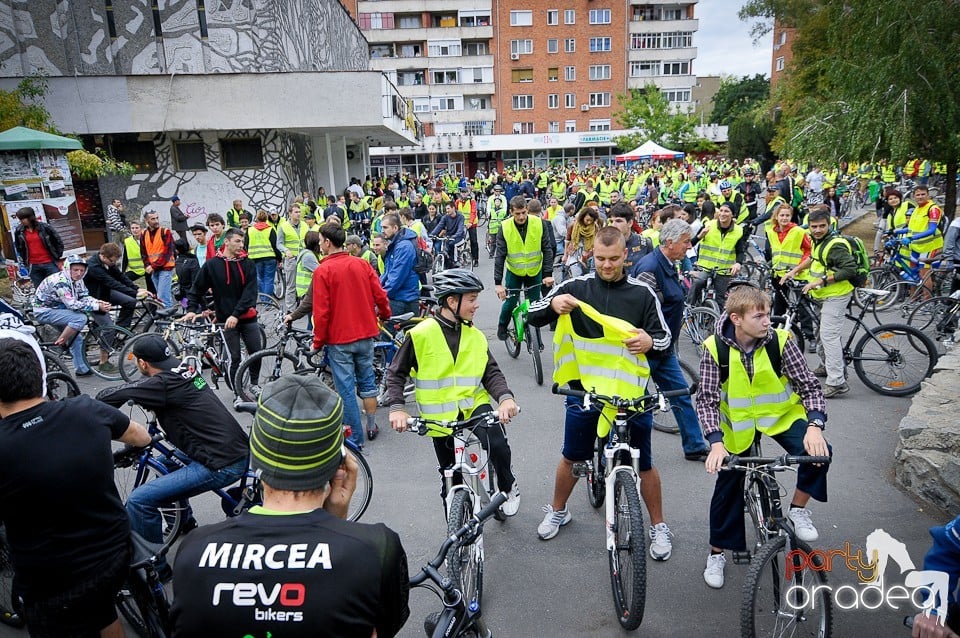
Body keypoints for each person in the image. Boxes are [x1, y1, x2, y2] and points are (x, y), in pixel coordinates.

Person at [170, 375, 409, 636]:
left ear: (257, 457)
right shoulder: (375, 549)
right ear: (339, 462)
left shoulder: (194, 550)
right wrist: (335, 520)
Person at [528, 227, 675, 556]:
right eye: (599, 259)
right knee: (572, 456)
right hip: (584, 393)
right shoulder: (576, 287)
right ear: (590, 255)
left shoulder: (641, 294)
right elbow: (530, 316)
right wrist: (554, 304)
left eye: (613, 259)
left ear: (626, 255)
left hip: (630, 396)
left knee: (645, 463)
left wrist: (650, 342)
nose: (606, 265)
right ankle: (558, 510)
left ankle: (658, 526)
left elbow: (665, 340)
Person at [0, 338, 151, 638]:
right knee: (102, 611)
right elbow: (142, 437)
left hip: (52, 578)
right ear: (41, 377)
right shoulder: (86, 408)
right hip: (114, 552)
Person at [697, 283, 830, 589]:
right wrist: (715, 443)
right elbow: (705, 399)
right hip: (737, 425)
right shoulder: (713, 348)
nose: (767, 321)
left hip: (780, 417)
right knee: (727, 483)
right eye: (759, 316)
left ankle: (797, 510)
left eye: (768, 314)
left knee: (821, 453)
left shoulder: (780, 341)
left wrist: (815, 425)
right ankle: (717, 553)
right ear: (736, 319)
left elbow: (809, 387)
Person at [96, 332, 248, 557]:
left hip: (220, 462)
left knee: (139, 500)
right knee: (165, 464)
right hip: (232, 447)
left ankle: (154, 568)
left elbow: (106, 397)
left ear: (142, 362)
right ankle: (184, 521)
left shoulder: (161, 384)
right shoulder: (187, 370)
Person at [386, 269, 521, 515]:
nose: (477, 305)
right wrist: (397, 408)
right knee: (450, 473)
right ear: (452, 301)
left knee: (498, 446)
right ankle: (456, 526)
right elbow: (396, 373)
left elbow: (491, 372)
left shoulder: (476, 336)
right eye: (471, 299)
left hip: (473, 405)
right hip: (439, 415)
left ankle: (507, 485)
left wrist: (505, 398)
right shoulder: (420, 334)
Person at [634, 219, 711, 460]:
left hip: (664, 348)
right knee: (634, 404)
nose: (690, 247)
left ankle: (695, 445)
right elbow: (642, 311)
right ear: (669, 243)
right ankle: (628, 452)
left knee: (680, 394)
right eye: (686, 242)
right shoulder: (649, 267)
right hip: (648, 349)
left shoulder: (667, 262)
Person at [311, 222, 392, 447]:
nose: (319, 244)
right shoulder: (361, 264)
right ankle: (372, 425)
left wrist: (318, 341)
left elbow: (322, 312)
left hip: (339, 339)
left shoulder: (322, 271)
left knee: (345, 388)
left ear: (328, 242)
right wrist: (384, 315)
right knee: (367, 381)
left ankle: (355, 437)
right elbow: (380, 295)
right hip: (366, 334)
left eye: (320, 240)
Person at [184, 227, 263, 388]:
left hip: (247, 317)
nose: (241, 244)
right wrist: (192, 309)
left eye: (243, 241)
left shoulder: (248, 264)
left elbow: (250, 293)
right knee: (234, 358)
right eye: (237, 241)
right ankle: (237, 391)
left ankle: (254, 385)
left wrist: (236, 314)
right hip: (225, 320)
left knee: (256, 353)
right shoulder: (212, 265)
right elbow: (196, 289)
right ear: (226, 242)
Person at [800, 208, 860, 396]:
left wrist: (821, 281)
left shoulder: (835, 244)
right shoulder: (819, 241)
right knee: (820, 333)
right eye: (814, 227)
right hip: (823, 295)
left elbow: (849, 270)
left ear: (829, 225)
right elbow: (813, 258)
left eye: (821, 226)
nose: (817, 230)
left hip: (837, 294)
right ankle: (826, 365)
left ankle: (837, 382)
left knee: (828, 336)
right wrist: (793, 272)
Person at [33, 255, 113, 377]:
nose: (79, 273)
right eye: (75, 270)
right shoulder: (60, 282)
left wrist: (98, 302)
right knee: (80, 318)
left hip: (60, 310)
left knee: (77, 336)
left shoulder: (78, 280)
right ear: (67, 268)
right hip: (44, 311)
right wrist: (96, 307)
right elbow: (72, 304)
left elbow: (84, 296)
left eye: (82, 270)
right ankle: (61, 340)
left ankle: (81, 369)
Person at [494, 195, 555, 340]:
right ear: (511, 212)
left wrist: (548, 274)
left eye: (523, 213)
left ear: (527, 210)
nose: (521, 217)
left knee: (534, 305)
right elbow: (500, 256)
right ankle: (502, 326)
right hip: (514, 272)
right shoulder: (505, 227)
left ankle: (536, 336)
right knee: (510, 303)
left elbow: (547, 250)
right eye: (517, 214)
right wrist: (498, 283)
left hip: (535, 271)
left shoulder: (539, 223)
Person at [765, 203, 817, 351]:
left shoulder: (799, 231)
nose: (784, 218)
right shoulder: (771, 232)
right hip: (779, 275)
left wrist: (798, 268)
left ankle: (810, 337)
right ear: (776, 216)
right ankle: (775, 333)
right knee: (779, 305)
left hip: (797, 275)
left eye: (787, 215)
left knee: (802, 307)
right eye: (782, 215)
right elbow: (772, 252)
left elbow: (809, 251)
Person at [688, 202, 746, 306]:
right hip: (704, 267)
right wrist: (699, 237)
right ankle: (689, 312)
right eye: (721, 210)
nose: (723, 214)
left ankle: (718, 320)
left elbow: (740, 252)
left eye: (726, 211)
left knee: (721, 299)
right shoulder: (709, 225)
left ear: (732, 215)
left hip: (723, 270)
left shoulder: (738, 231)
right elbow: (690, 244)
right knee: (697, 284)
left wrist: (738, 263)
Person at [85, 241, 143, 330]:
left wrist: (137, 289)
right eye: (112, 261)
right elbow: (112, 283)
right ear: (103, 256)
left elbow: (120, 276)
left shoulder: (108, 261)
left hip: (105, 292)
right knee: (109, 328)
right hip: (95, 298)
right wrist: (134, 292)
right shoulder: (93, 267)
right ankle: (107, 339)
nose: (114, 264)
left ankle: (121, 330)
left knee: (130, 302)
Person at [380, 213, 421, 316]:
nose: (382, 230)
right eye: (382, 227)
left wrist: (380, 296)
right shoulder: (395, 244)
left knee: (385, 331)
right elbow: (388, 273)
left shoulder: (404, 247)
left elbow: (396, 277)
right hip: (398, 297)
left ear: (395, 228)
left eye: (385, 227)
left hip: (403, 300)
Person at [13, 206, 64, 289]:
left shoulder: (45, 228)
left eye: (23, 218)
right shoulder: (19, 231)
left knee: (57, 287)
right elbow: (19, 247)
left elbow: (58, 242)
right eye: (20, 219)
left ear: (30, 217)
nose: (22, 221)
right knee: (39, 289)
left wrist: (57, 256)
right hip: (33, 264)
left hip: (49, 262)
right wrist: (26, 262)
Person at [140, 209, 176, 308]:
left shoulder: (165, 232)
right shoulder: (143, 234)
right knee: (160, 299)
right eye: (153, 219)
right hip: (154, 269)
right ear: (147, 221)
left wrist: (153, 266)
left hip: (164, 268)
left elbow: (167, 252)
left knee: (163, 297)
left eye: (157, 218)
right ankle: (166, 320)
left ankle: (166, 322)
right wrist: (147, 265)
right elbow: (143, 253)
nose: (156, 221)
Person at [244, 209, 282, 296]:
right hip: (270, 257)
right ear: (266, 218)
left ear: (256, 218)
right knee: (268, 279)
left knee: (259, 278)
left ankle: (262, 298)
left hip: (254, 258)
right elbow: (275, 246)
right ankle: (267, 300)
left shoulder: (250, 230)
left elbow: (245, 244)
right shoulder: (270, 229)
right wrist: (279, 258)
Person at [277, 205, 305, 313]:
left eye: (299, 212)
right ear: (290, 213)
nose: (298, 214)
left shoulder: (304, 225)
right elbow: (279, 243)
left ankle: (302, 306)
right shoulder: (284, 227)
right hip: (291, 259)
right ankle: (291, 309)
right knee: (291, 284)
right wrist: (286, 250)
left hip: (303, 258)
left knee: (303, 283)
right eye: (296, 212)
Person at [563, 206, 601, 277]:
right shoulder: (573, 226)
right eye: (587, 220)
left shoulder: (595, 227)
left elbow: (597, 241)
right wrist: (565, 255)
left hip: (588, 256)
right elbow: (567, 241)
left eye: (591, 220)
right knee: (577, 276)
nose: (589, 222)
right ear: (582, 218)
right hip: (574, 254)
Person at [431, 201, 467, 268]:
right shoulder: (445, 217)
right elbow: (439, 226)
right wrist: (432, 234)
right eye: (446, 209)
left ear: (453, 208)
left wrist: (456, 235)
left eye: (448, 208)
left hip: (459, 237)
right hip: (449, 237)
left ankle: (456, 261)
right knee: (446, 249)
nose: (447, 211)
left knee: (453, 244)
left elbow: (460, 228)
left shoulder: (460, 217)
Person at [174, 237, 199, 308]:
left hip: (184, 296)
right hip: (194, 297)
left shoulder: (178, 262)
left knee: (187, 315)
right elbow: (196, 282)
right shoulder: (193, 261)